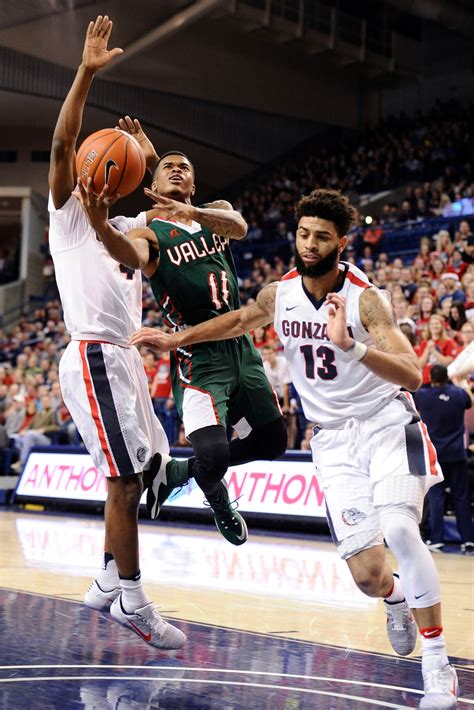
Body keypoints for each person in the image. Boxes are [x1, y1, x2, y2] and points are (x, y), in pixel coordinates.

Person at [132, 188, 460, 709]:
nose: (309, 244)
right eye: (304, 234)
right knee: (370, 577)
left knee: (399, 527)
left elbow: (413, 372)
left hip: (387, 424)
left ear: (342, 242)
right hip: (332, 441)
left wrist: (350, 344)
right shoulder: (278, 294)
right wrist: (176, 340)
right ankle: (397, 598)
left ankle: (437, 665)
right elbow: (239, 321)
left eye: (321, 237)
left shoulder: (364, 298)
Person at [73, 136, 287, 546]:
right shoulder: (151, 234)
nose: (176, 169)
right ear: (153, 183)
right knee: (215, 457)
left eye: (184, 167)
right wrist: (101, 226)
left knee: (274, 441)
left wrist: (189, 208)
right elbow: (128, 256)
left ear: (194, 185)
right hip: (197, 358)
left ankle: (173, 473)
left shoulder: (216, 214)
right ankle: (214, 494)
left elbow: (239, 227)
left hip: (241, 348)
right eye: (167, 166)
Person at [48, 14, 185, 650]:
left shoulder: (129, 224)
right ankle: (131, 596)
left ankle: (108, 577)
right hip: (97, 353)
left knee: (144, 469)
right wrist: (86, 72)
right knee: (126, 479)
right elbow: (60, 145)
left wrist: (150, 155)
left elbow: (168, 208)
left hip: (123, 361)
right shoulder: (71, 216)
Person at [414, 365, 473, 554]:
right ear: (447, 377)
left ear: (430, 378)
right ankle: (468, 540)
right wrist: (460, 382)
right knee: (461, 497)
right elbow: (469, 401)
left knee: (436, 497)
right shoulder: (458, 395)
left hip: (436, 456)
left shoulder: (422, 396)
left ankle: (437, 539)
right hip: (457, 454)